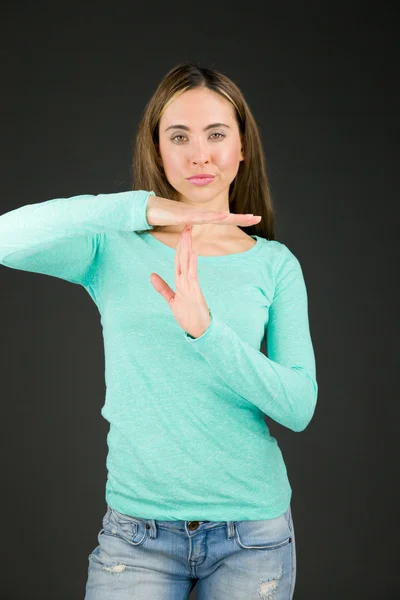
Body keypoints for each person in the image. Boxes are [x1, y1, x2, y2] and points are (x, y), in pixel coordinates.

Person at [0, 62, 318, 599]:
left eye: (217, 134)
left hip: (252, 536)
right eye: (179, 137)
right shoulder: (111, 247)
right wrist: (140, 208)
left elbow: (298, 405)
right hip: (136, 538)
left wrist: (207, 332)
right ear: (159, 150)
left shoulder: (274, 264)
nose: (200, 154)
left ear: (242, 148)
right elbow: (7, 236)